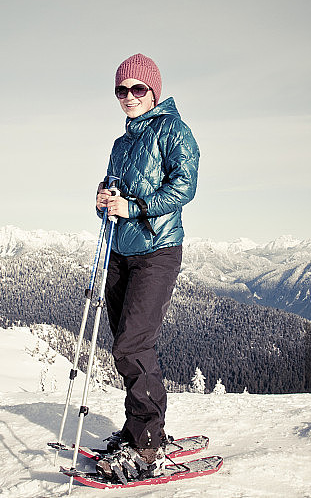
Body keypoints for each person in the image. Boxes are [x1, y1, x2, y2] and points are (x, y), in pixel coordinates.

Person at [94, 53, 200, 482]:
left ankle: (146, 444)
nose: (129, 97)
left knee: (132, 345)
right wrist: (103, 199)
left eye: (138, 89)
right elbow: (113, 190)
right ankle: (139, 425)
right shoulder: (121, 143)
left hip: (157, 251)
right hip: (120, 252)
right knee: (124, 342)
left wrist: (136, 206)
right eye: (122, 90)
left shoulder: (174, 129)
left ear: (154, 91)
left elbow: (184, 185)